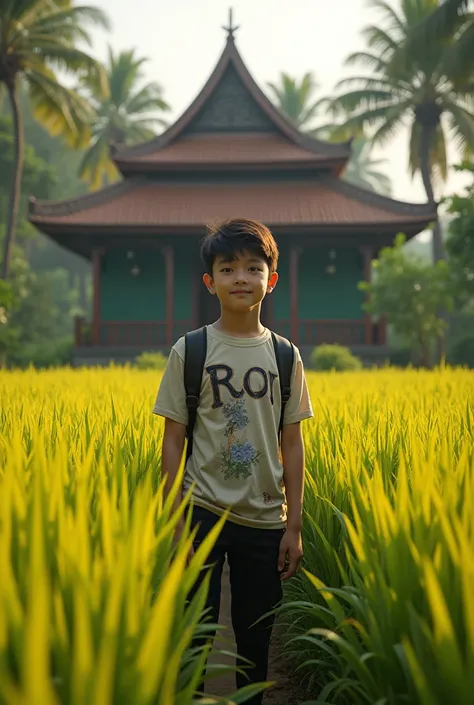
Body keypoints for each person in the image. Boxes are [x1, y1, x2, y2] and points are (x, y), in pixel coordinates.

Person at [153, 218, 313, 704]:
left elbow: (292, 444)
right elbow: (173, 440)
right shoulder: (191, 350)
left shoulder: (285, 357)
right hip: (201, 511)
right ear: (210, 282)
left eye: (252, 267)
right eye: (228, 269)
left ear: (272, 279)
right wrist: (173, 515)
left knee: (255, 638)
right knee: (195, 634)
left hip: (265, 517)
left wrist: (295, 525)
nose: (241, 277)